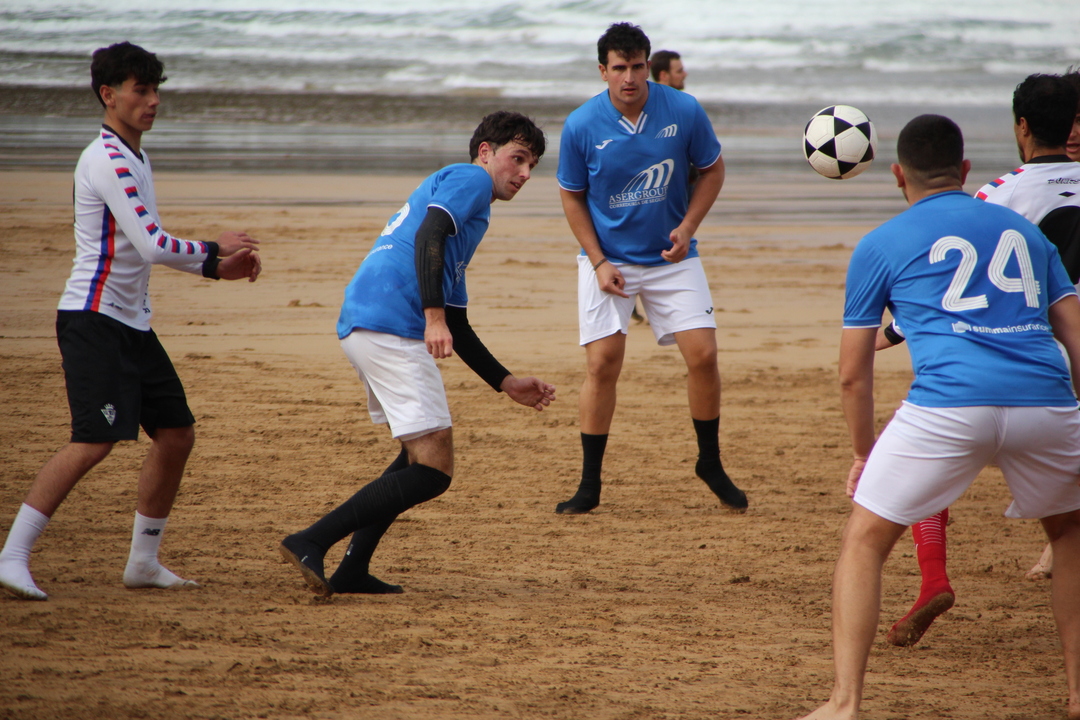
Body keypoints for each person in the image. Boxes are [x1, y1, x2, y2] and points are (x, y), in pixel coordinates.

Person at [798, 114, 1080, 720]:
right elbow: (1076, 337)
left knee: (865, 541)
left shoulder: (881, 243)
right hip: (1046, 401)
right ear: (966, 170)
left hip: (950, 407)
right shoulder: (1026, 234)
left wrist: (863, 452)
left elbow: (852, 371)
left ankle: (845, 703)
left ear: (898, 175)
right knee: (1068, 535)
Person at [0, 42, 262, 601]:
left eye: (155, 89)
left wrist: (216, 269)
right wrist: (214, 247)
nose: (152, 101)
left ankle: (143, 562)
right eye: (140, 90)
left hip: (132, 324)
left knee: (176, 434)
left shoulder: (136, 157)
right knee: (93, 441)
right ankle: (12, 555)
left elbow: (141, 248)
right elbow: (153, 244)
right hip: (92, 319)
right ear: (109, 94)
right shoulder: (108, 159)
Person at [279, 111, 555, 597]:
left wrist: (505, 381)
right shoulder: (471, 179)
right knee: (433, 470)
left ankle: (352, 569)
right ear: (486, 152)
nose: (525, 173)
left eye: (532, 164)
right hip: (391, 322)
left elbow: (457, 321)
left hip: (371, 319)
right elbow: (429, 236)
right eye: (518, 159)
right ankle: (311, 540)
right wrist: (431, 317)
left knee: (416, 456)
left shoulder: (468, 213)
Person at [877, 74, 1080, 630]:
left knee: (928, 441)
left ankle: (933, 578)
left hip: (1031, 354)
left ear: (1021, 127)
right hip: (1064, 357)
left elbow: (956, 280)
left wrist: (891, 333)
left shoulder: (1000, 196)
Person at [553, 22, 747, 515]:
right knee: (603, 364)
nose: (630, 78)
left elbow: (713, 170)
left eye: (637, 66)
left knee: (704, 355)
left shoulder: (684, 109)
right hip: (607, 260)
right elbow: (572, 197)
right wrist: (598, 261)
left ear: (647, 66)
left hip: (671, 257)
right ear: (603, 71)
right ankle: (589, 485)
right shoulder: (581, 125)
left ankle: (709, 462)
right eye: (619, 68)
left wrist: (688, 226)